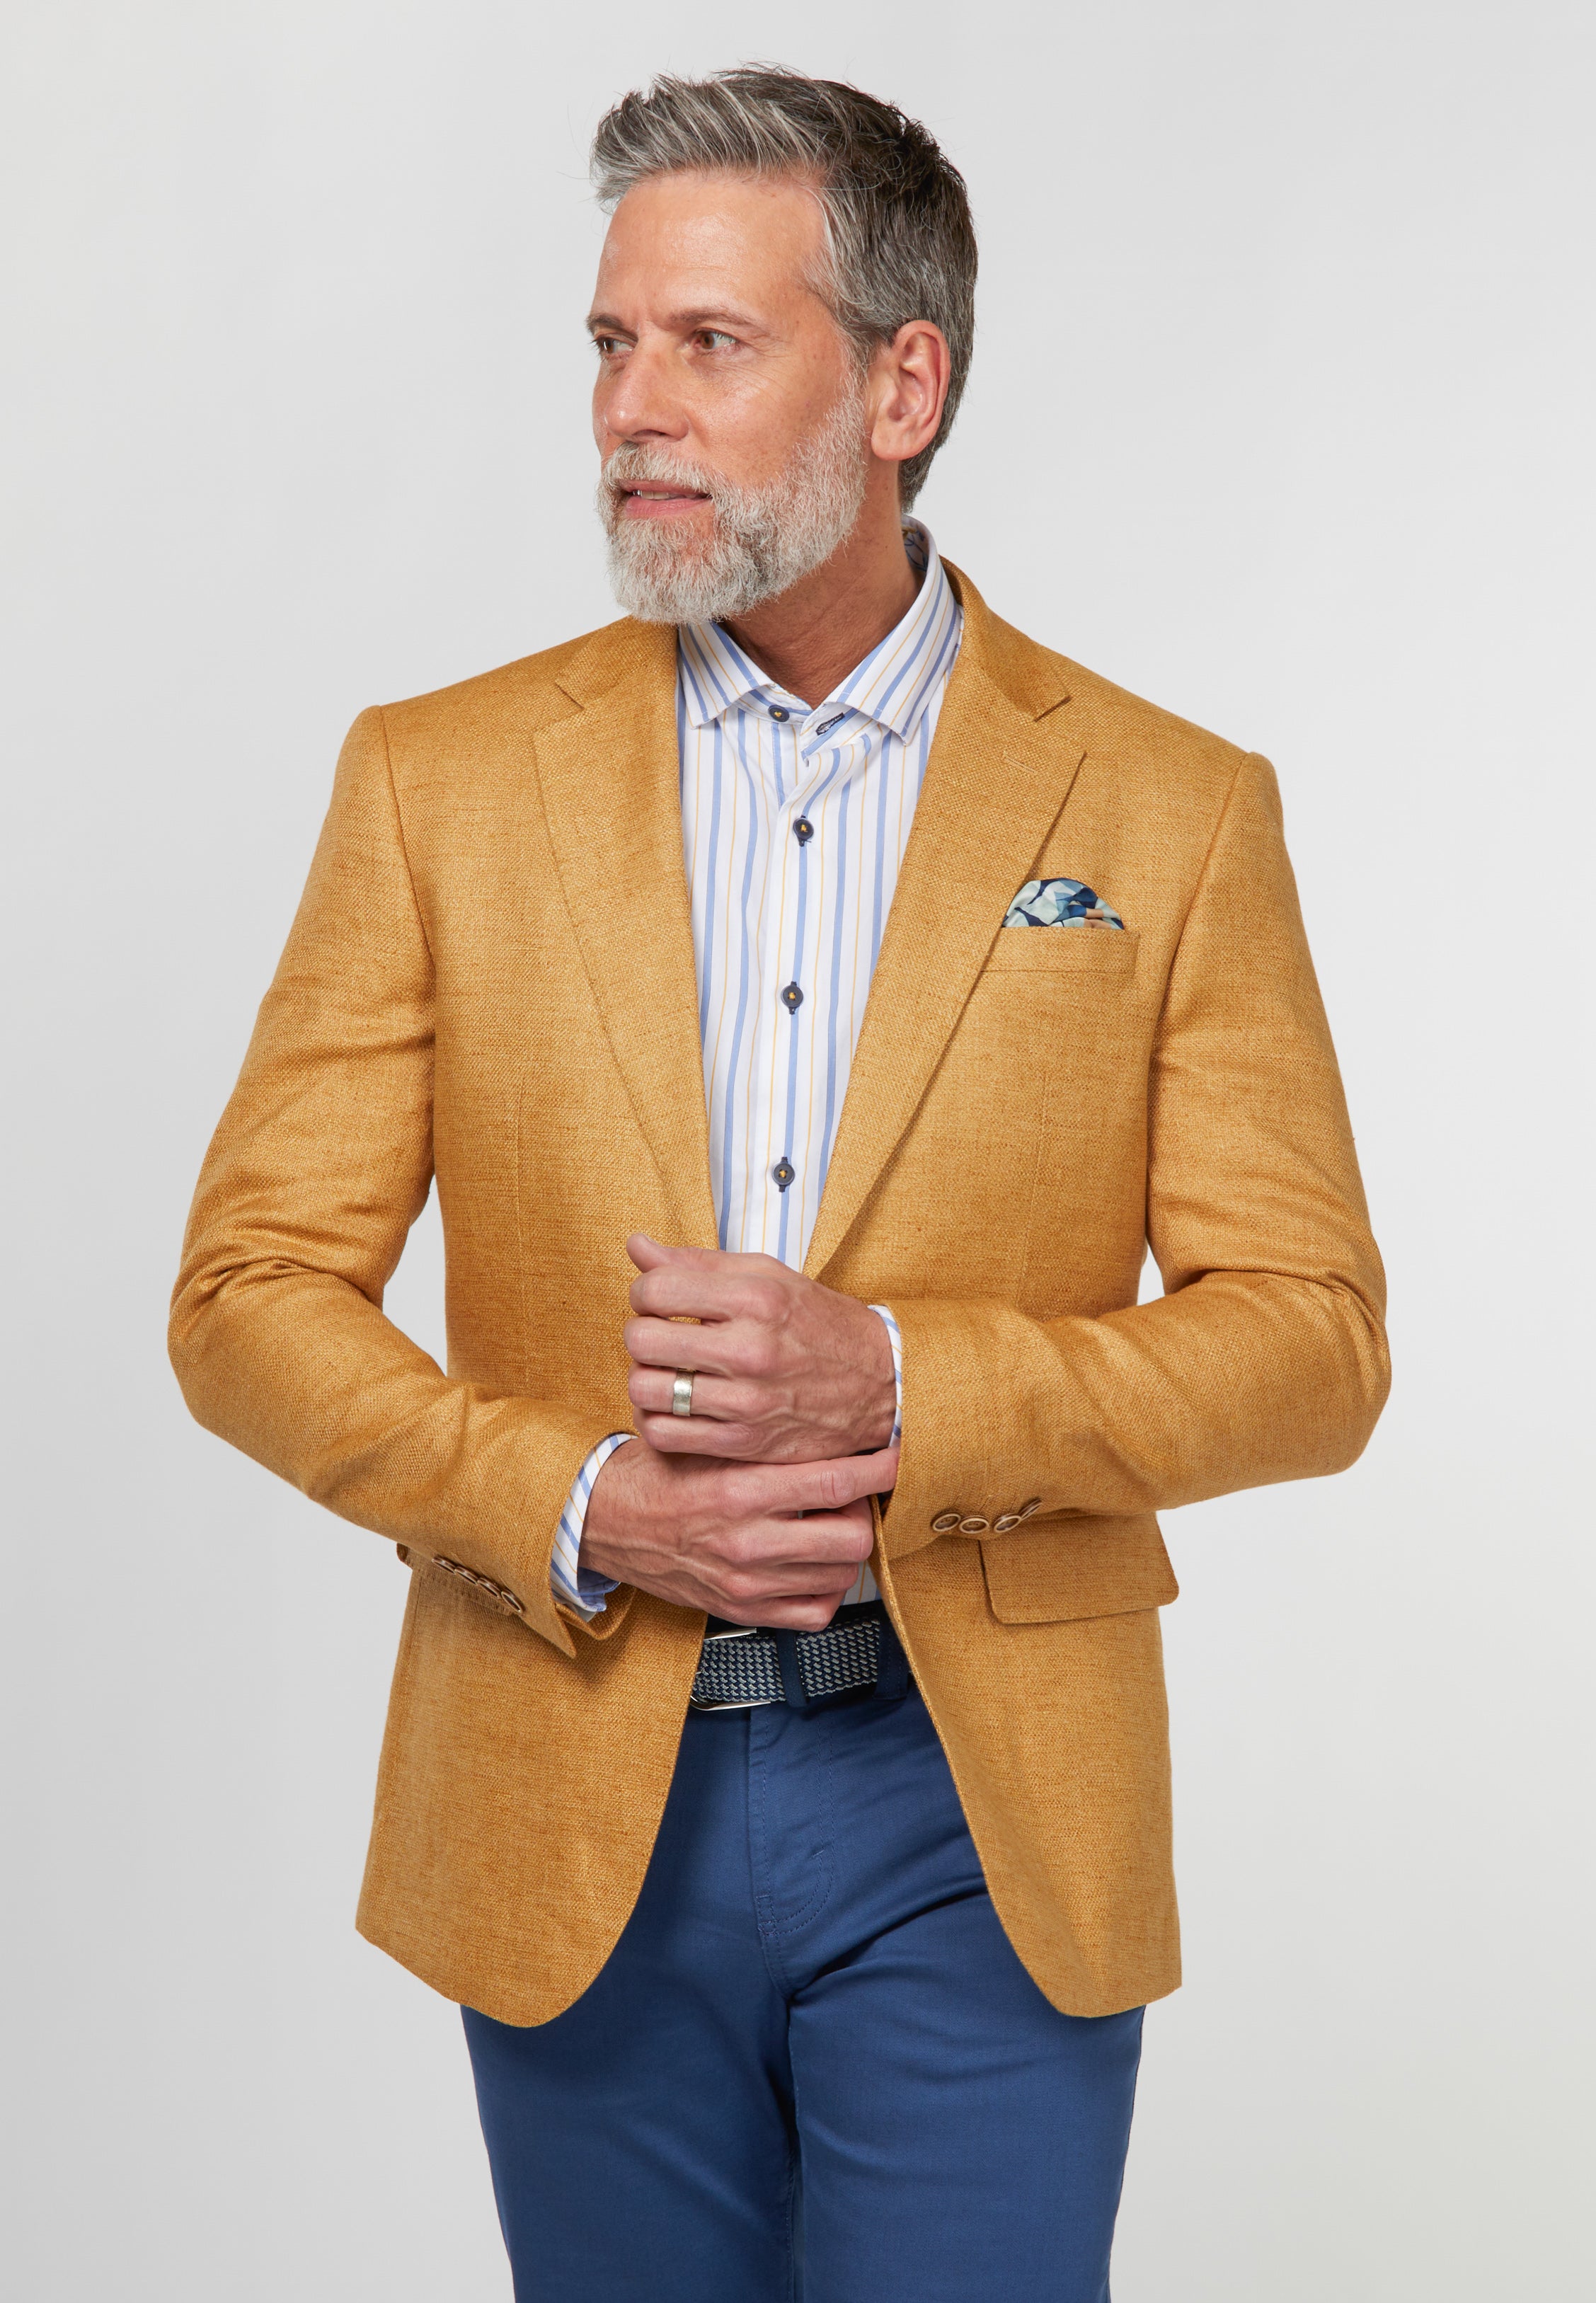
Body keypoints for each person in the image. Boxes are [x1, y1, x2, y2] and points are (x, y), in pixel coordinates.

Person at [170, 64, 1389, 2303]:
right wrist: (577, 1504)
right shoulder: (438, 784)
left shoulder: (1172, 808)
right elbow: (247, 1292)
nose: (631, 406)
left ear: (902, 386)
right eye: (611, 343)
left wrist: (910, 1385)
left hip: (978, 1808)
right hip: (571, 1779)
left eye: (710, 344)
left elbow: (1312, 1344)